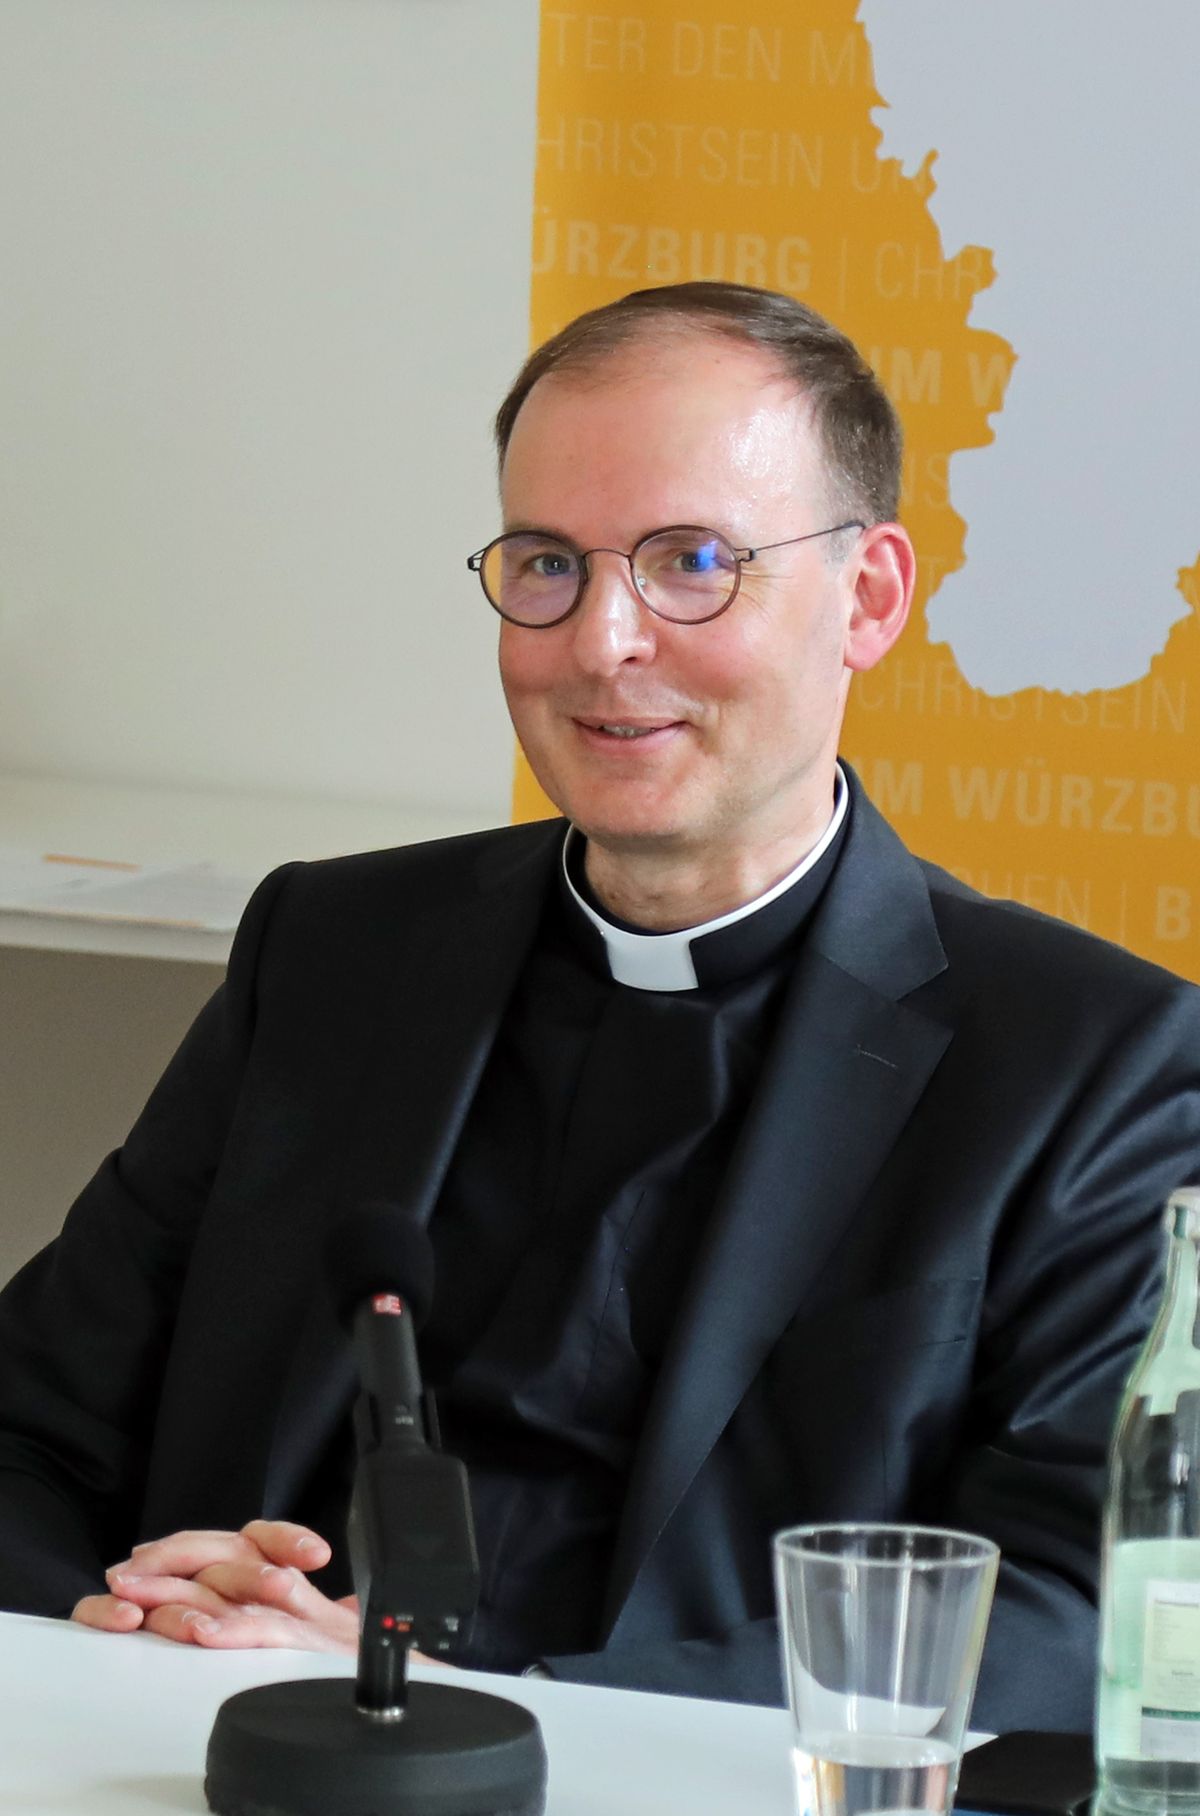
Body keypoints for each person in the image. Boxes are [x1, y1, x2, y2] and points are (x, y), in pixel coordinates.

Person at [0, 283, 1197, 1733]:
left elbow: (1086, 1613)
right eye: (549, 564)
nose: (600, 641)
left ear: (869, 599)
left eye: (693, 563)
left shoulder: (1093, 1062)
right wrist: (137, 1639)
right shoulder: (333, 948)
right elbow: (31, 1429)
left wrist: (460, 1707)